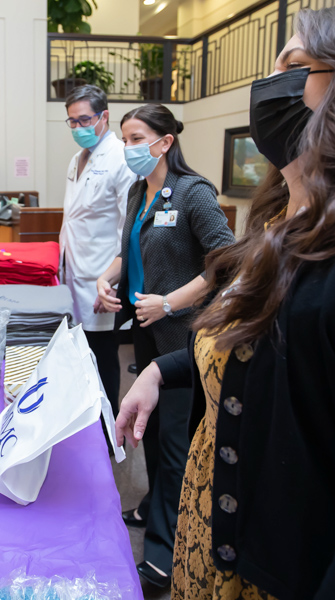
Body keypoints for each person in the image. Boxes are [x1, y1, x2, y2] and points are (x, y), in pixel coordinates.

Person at [117, 5, 335, 599]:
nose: (270, 89)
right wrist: (158, 368)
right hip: (211, 542)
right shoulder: (280, 220)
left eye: (296, 67)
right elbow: (254, 338)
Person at [96, 104, 234, 587]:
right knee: (149, 435)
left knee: (175, 444)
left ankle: (164, 554)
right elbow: (128, 247)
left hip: (182, 338)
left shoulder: (193, 194)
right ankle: (155, 509)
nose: (128, 148)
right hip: (145, 333)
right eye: (125, 138)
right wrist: (106, 277)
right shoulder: (140, 190)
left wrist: (170, 303)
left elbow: (227, 262)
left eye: (136, 138)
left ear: (165, 142)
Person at [59, 84, 135, 416]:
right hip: (74, 272)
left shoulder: (120, 157)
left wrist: (115, 281)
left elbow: (128, 228)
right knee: (79, 355)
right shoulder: (78, 158)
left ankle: (107, 433)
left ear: (104, 117)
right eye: (72, 122)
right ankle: (84, 421)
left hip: (101, 279)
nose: (78, 128)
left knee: (103, 359)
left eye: (84, 120)